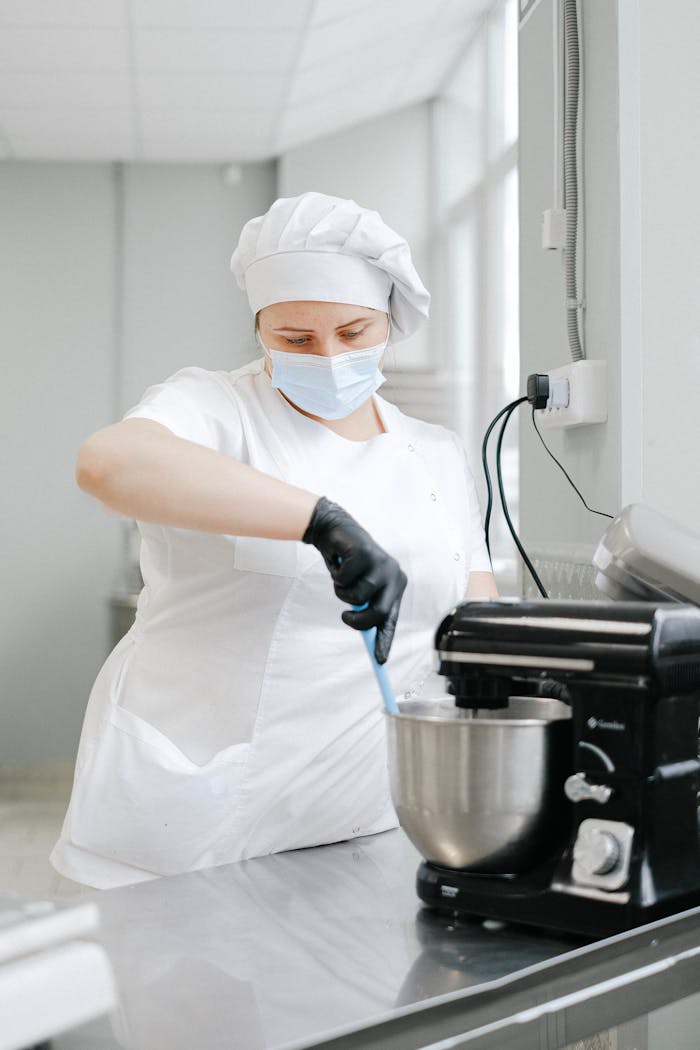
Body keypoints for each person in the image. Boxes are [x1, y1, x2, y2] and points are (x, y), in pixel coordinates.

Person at [50, 192, 497, 889]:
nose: (327, 357)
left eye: (354, 333)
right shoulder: (216, 408)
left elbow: (477, 623)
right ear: (261, 326)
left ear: (390, 321)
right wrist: (321, 521)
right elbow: (106, 465)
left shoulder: (434, 453)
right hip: (200, 826)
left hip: (367, 824)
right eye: (294, 339)